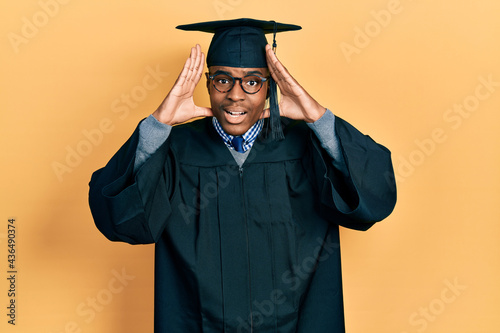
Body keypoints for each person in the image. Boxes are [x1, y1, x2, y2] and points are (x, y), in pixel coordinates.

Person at [88, 18, 397, 333]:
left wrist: (317, 116)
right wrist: (158, 124)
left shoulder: (306, 144)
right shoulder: (176, 149)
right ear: (208, 84)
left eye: (252, 81)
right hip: (197, 323)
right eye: (222, 80)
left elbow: (373, 192)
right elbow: (119, 218)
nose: (236, 95)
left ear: (269, 86)